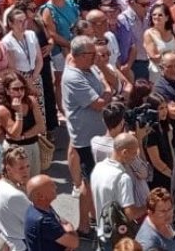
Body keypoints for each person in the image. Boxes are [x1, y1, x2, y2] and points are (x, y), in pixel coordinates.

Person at [60, 35, 109, 235]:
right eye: (91, 54)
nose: (95, 57)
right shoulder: (73, 76)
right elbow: (98, 104)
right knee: (87, 184)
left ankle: (91, 217)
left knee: (93, 181)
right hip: (86, 139)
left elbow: (108, 85)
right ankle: (83, 226)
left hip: (97, 136)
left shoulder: (88, 68)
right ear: (78, 56)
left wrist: (106, 90)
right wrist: (107, 92)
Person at [89, 132, 142, 240]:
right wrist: (147, 206)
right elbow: (130, 214)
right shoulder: (123, 178)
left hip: (102, 232)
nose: (135, 157)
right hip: (117, 237)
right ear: (125, 152)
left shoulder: (98, 168)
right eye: (134, 153)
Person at [23, 175, 79, 251]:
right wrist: (70, 228)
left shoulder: (39, 207)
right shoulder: (44, 221)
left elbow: (60, 220)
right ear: (41, 196)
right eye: (52, 186)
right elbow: (74, 242)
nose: (56, 187)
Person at [0, 147, 31, 251]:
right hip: (22, 244)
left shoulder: (1, 183)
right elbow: (36, 223)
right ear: (8, 169)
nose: (26, 171)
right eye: (21, 168)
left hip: (8, 238)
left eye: (27, 166)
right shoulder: (15, 195)